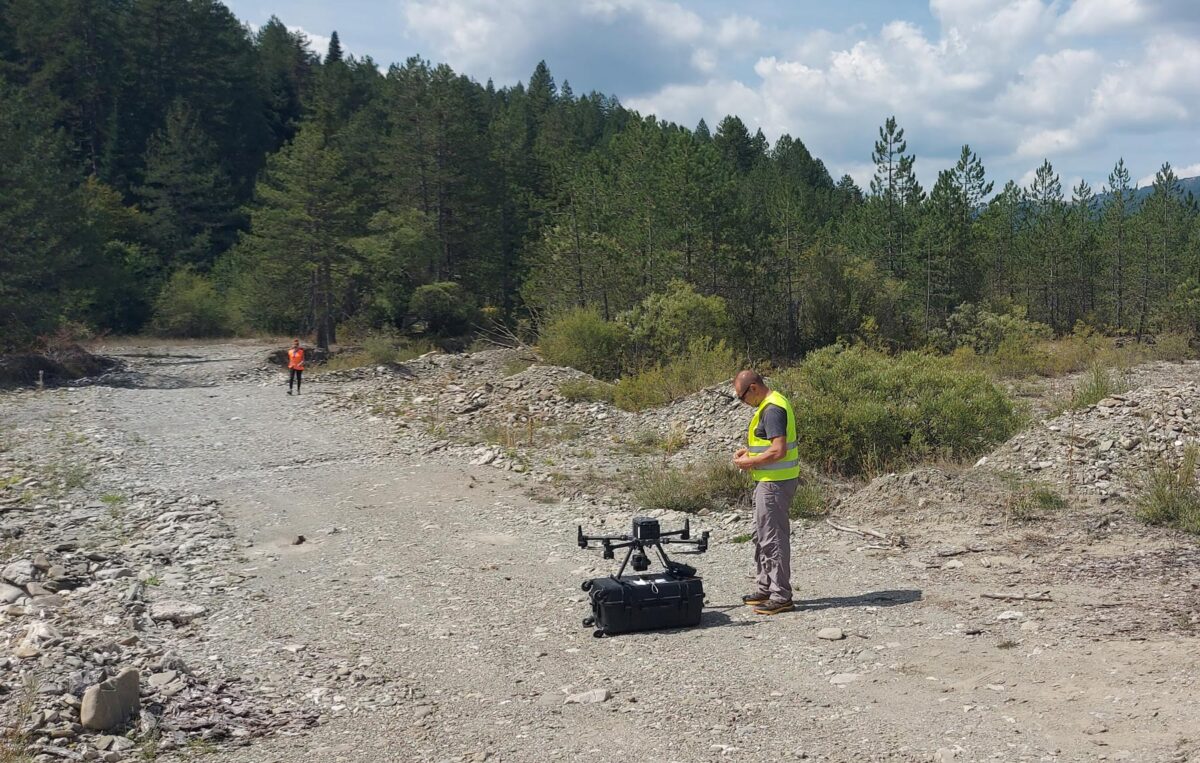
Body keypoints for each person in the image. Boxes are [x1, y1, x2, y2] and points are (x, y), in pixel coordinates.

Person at [732, 370, 800, 615]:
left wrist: (750, 462)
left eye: (741, 397)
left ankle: (781, 595)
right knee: (761, 536)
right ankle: (766, 588)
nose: (742, 402)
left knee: (773, 539)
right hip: (768, 481)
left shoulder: (772, 409)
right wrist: (749, 453)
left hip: (775, 483)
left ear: (753, 388)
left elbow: (778, 450)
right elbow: (768, 446)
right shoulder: (769, 405)